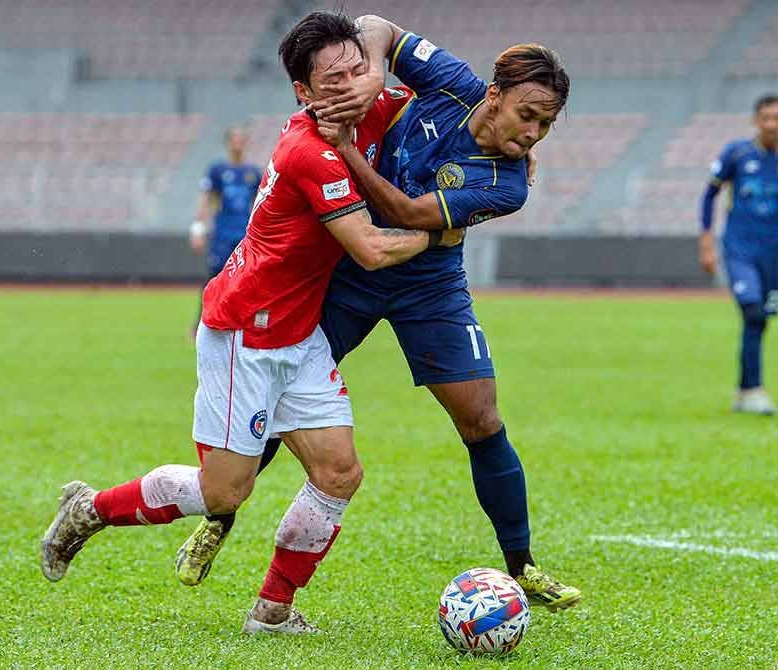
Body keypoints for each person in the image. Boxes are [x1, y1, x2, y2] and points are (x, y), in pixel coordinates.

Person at [40, 11, 461, 635]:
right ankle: (90, 508)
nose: (350, 85)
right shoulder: (307, 152)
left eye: (356, 70)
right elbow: (369, 249)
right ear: (303, 92)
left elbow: (450, 99)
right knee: (223, 493)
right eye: (332, 78)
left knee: (339, 472)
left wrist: (507, 154)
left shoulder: (376, 104)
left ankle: (273, 610)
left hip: (299, 332)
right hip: (246, 331)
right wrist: (446, 231)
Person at [176, 14, 581, 613]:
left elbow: (409, 212)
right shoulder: (451, 82)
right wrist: (369, 74)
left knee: (482, 421)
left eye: (546, 123)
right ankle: (220, 514)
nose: (535, 133)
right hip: (353, 273)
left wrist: (345, 149)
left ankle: (521, 566)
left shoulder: (510, 182)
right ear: (494, 95)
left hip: (430, 288)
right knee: (286, 390)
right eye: (528, 115)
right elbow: (374, 25)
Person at [699, 94, 778, 415]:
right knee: (753, 311)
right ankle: (755, 390)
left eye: (776, 118)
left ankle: (744, 391)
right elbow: (709, 196)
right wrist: (707, 243)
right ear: (756, 120)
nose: (770, 124)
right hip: (738, 249)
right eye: (764, 118)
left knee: (759, 321)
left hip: (771, 254)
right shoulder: (736, 154)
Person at [190, 128, 261, 333]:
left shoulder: (253, 173)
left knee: (247, 279)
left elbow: (259, 204)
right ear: (228, 143)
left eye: (241, 139)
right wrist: (198, 228)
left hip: (244, 234)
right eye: (234, 140)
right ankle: (200, 325)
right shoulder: (217, 170)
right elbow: (206, 200)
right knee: (214, 277)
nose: (237, 144)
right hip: (222, 233)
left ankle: (243, 325)